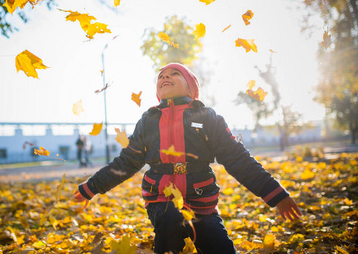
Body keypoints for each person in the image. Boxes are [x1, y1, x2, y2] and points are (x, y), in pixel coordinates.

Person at [74, 63, 302, 254]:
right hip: (160, 199)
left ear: (191, 87)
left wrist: (276, 195)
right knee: (170, 220)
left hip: (201, 201)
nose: (165, 76)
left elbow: (237, 158)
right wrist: (92, 187)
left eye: (174, 73)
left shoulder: (207, 117)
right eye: (161, 75)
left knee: (219, 245)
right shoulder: (148, 120)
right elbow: (126, 162)